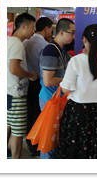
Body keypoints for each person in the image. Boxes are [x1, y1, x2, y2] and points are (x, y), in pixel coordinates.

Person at [54, 24, 97, 159]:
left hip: (77, 114)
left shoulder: (75, 61)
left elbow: (66, 89)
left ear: (84, 39)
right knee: (96, 151)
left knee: (74, 151)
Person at [38, 18, 75, 159]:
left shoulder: (62, 51)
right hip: (50, 101)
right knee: (49, 141)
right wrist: (69, 80)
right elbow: (48, 81)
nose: (73, 36)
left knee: (54, 139)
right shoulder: (50, 51)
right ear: (61, 32)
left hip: (57, 100)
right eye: (72, 33)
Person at [7, 12, 37, 159]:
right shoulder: (17, 44)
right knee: (17, 132)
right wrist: (30, 75)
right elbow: (14, 69)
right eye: (32, 28)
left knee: (9, 125)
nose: (33, 31)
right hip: (16, 94)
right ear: (24, 26)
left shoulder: (10, 41)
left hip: (9, 92)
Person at [23, 17, 53, 157]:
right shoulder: (45, 46)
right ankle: (35, 145)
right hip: (38, 82)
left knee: (30, 114)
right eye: (51, 29)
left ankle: (30, 143)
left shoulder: (26, 42)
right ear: (46, 28)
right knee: (37, 115)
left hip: (26, 81)